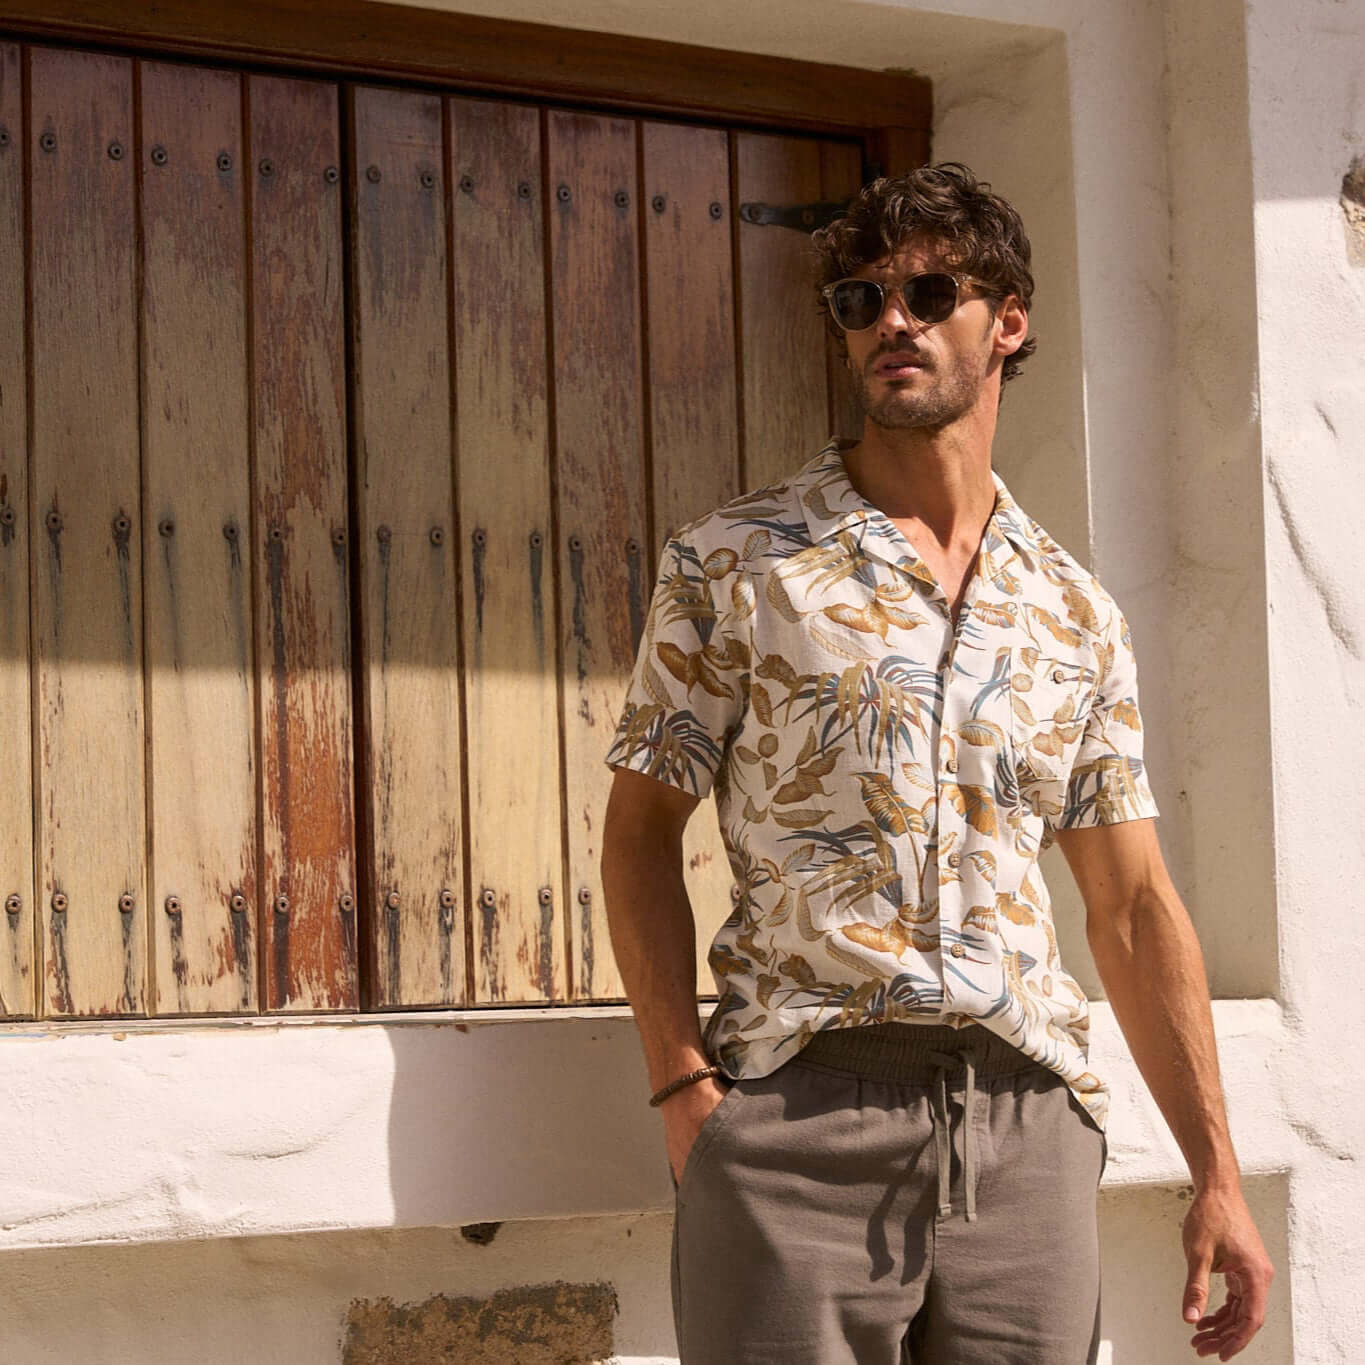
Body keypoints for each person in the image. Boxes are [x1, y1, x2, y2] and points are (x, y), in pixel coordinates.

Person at [600, 162, 1271, 1364]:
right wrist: (682, 1093)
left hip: (1026, 1136)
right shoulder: (736, 563)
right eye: (860, 301)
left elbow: (1130, 905)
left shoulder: (1073, 610)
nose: (890, 321)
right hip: (799, 1119)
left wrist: (1216, 1173)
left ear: (1007, 320)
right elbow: (639, 834)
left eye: (928, 289)